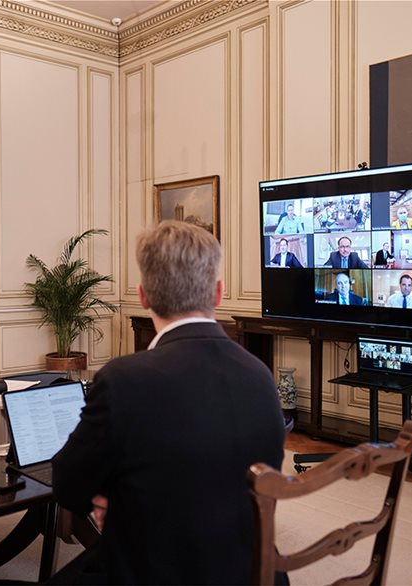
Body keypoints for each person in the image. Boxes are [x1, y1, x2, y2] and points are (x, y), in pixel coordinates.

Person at [51, 221, 286, 585]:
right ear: (219, 292)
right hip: (249, 570)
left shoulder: (123, 379)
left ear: (144, 296)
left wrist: (118, 503)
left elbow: (67, 483)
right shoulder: (260, 375)